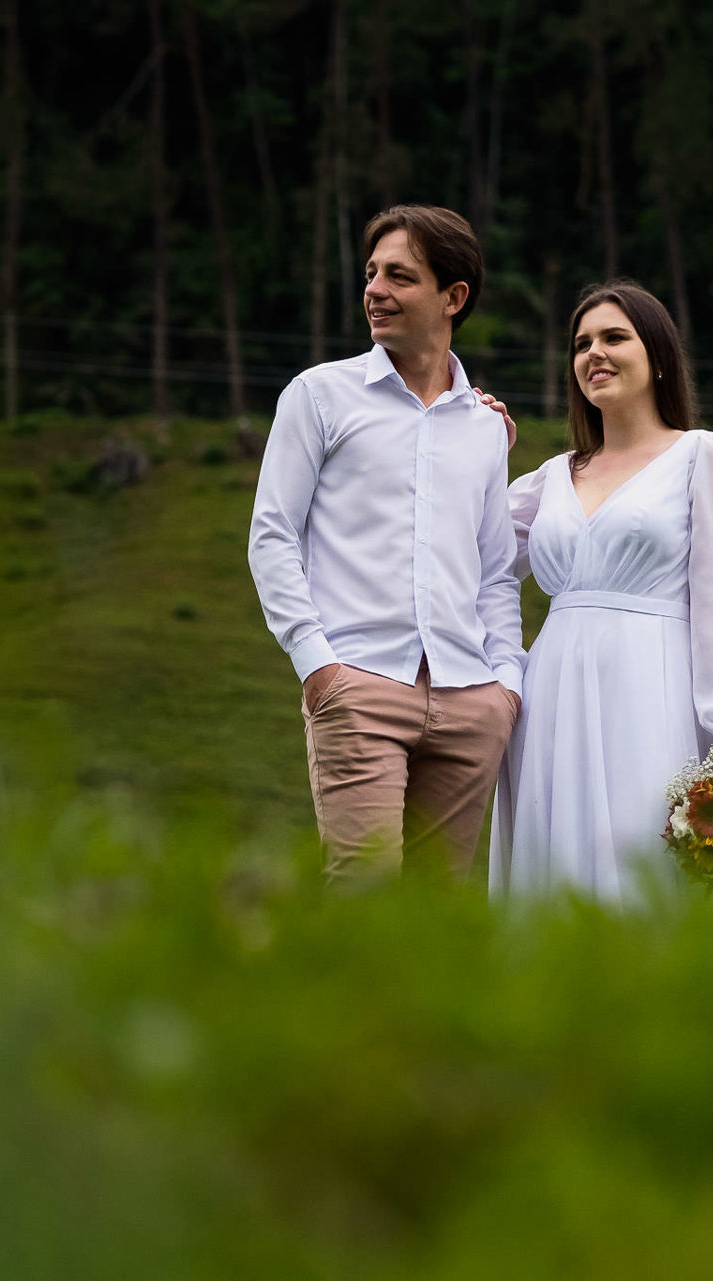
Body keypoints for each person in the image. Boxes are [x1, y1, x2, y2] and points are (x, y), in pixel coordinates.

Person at [249, 205, 524, 887]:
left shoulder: (485, 427)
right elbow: (272, 535)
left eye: (399, 276)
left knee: (435, 922)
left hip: (470, 700)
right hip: (358, 688)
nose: (374, 289)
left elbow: (495, 572)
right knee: (363, 904)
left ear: (453, 297)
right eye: (371, 273)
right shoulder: (318, 396)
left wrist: (506, 688)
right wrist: (319, 667)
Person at [490, 279, 713, 903]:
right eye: (581, 343)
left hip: (652, 691)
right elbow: (474, 560)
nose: (594, 353)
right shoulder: (551, 478)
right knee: (552, 883)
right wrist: (473, 442)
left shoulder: (699, 455)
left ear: (659, 358)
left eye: (615, 337)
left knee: (644, 873)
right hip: (553, 696)